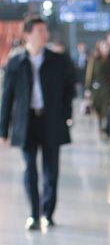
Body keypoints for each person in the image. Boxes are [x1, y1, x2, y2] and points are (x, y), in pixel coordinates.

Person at [0, 15, 76, 230]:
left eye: (45, 31)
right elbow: (7, 97)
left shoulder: (58, 60)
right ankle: (34, 213)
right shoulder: (16, 63)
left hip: (51, 120)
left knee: (51, 170)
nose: (45, 35)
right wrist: (3, 129)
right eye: (39, 31)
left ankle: (48, 213)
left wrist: (65, 113)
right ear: (27, 35)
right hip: (26, 122)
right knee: (30, 169)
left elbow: (69, 89)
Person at [85, 39, 110, 136]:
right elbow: (89, 75)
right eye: (103, 47)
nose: (105, 49)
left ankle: (106, 130)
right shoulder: (94, 60)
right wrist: (88, 89)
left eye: (107, 47)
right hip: (97, 90)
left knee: (108, 111)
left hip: (108, 90)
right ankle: (100, 130)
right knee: (98, 111)